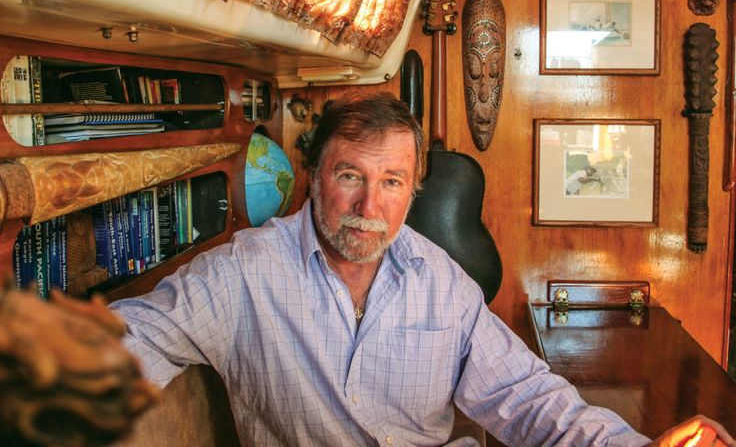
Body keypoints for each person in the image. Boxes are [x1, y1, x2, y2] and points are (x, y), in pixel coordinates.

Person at [110, 92, 735, 446]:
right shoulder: (243, 274)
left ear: (414, 191)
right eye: (350, 176)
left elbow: (527, 398)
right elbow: (125, 341)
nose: (368, 208)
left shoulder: (442, 282)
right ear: (314, 176)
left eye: (392, 183)